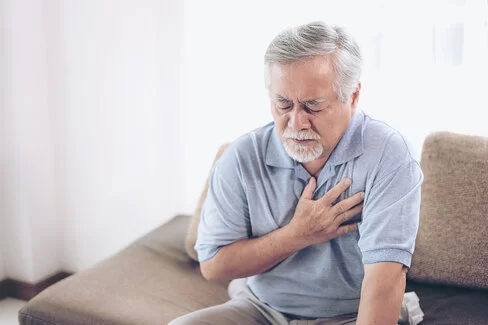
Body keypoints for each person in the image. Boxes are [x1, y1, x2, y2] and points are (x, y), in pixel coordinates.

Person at [170, 21, 423, 325]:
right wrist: (297, 235)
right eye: (283, 104)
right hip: (262, 308)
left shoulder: (389, 154)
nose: (295, 122)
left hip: (350, 315)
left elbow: (385, 282)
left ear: (353, 96)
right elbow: (213, 266)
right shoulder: (241, 157)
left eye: (313, 106)